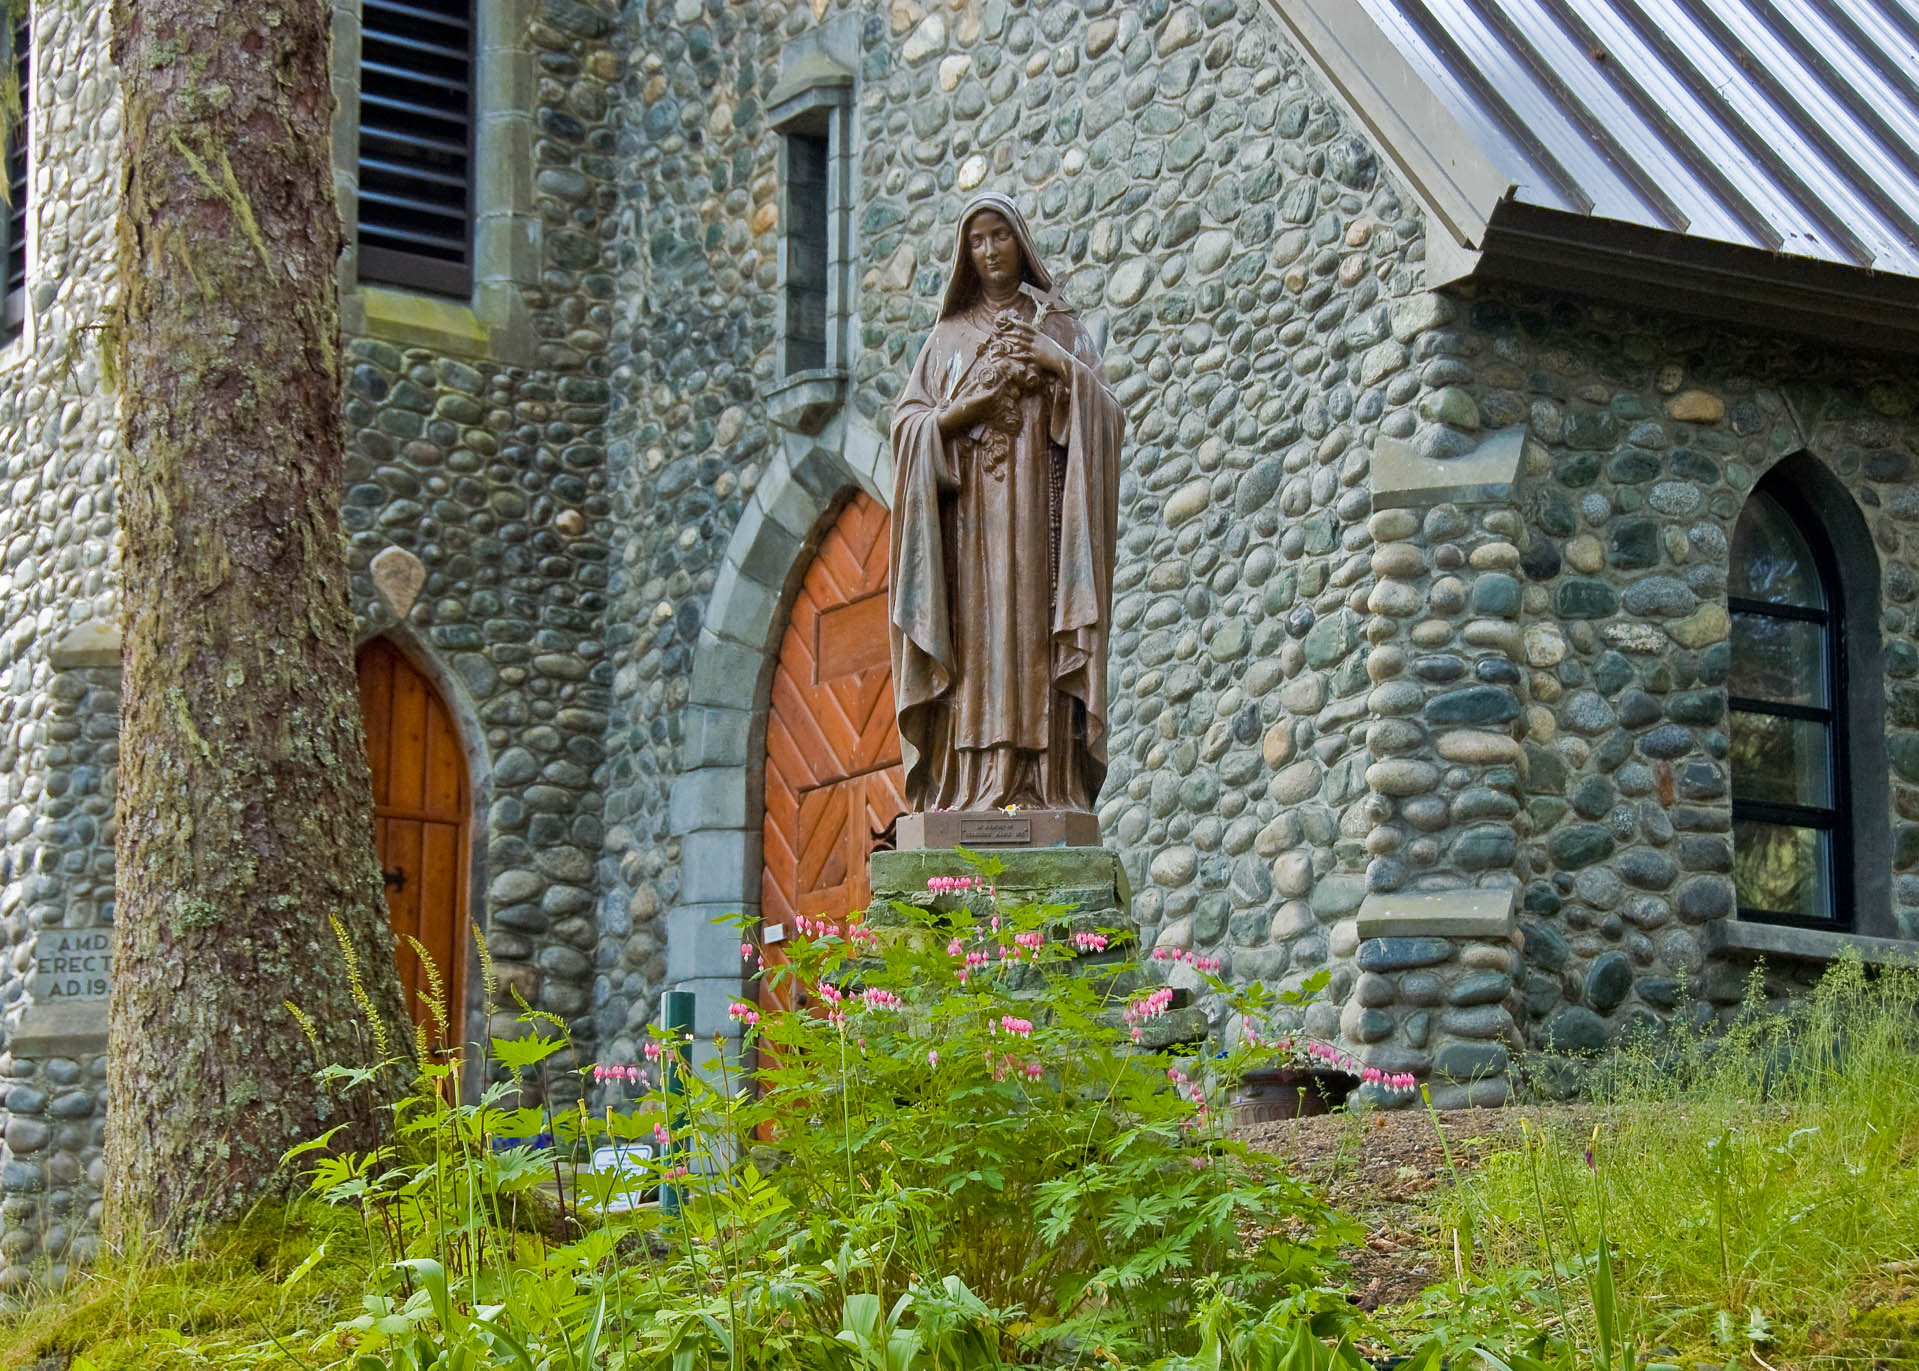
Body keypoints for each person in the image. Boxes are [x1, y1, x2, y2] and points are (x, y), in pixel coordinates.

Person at [889, 192, 1124, 814]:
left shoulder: (1061, 326)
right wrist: (959, 413)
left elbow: (1108, 416)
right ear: (966, 254)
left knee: (1032, 633)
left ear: (1020, 242)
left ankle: (1046, 784)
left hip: (1042, 523)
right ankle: (966, 788)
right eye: (977, 241)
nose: (990, 251)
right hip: (968, 529)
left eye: (1000, 236)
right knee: (978, 643)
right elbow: (908, 428)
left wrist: (1060, 366)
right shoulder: (947, 339)